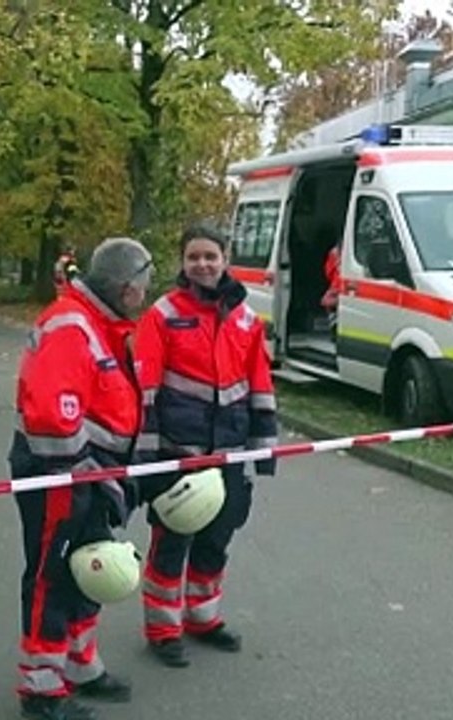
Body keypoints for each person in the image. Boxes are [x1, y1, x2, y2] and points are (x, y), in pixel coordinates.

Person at [9, 237, 154, 720]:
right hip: (62, 477)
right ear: (124, 286)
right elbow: (52, 419)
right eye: (142, 285)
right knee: (54, 577)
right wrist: (83, 480)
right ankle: (42, 688)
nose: (145, 294)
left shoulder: (99, 322)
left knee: (88, 571)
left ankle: (79, 663)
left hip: (90, 475)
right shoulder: (72, 325)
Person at [133, 223, 278, 669]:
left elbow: (260, 383)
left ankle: (203, 618)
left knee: (216, 540)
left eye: (210, 256)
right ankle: (162, 629)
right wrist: (148, 459)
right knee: (172, 542)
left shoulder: (246, 317)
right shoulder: (162, 314)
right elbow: (146, 387)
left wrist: (263, 447)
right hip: (179, 453)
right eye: (193, 256)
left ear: (225, 257)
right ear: (182, 262)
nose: (202, 264)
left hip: (230, 452)